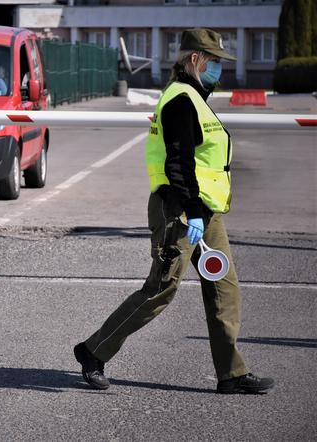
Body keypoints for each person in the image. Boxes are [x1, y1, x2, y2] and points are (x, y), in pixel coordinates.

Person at [73, 29, 275, 394]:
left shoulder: (195, 97)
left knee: (224, 289)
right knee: (161, 289)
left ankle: (231, 373)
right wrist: (193, 211)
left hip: (204, 211)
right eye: (214, 62)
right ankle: (93, 352)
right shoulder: (181, 100)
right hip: (179, 210)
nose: (219, 70)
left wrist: (202, 211)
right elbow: (178, 163)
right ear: (195, 59)